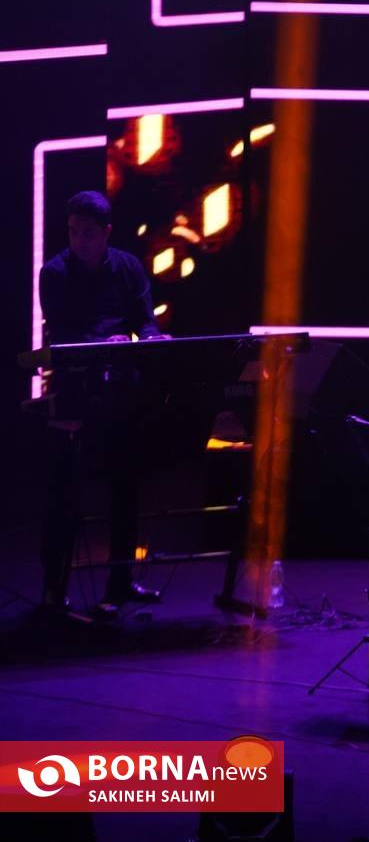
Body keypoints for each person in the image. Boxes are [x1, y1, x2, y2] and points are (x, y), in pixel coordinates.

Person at [38, 190, 168, 613]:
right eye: (73, 231)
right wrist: (104, 342)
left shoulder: (127, 266)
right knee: (66, 494)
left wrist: (151, 338)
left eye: (89, 233)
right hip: (76, 393)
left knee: (126, 487)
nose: (80, 240)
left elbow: (145, 320)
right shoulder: (54, 273)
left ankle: (121, 581)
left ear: (107, 232)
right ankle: (54, 589)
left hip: (122, 390)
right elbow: (62, 334)